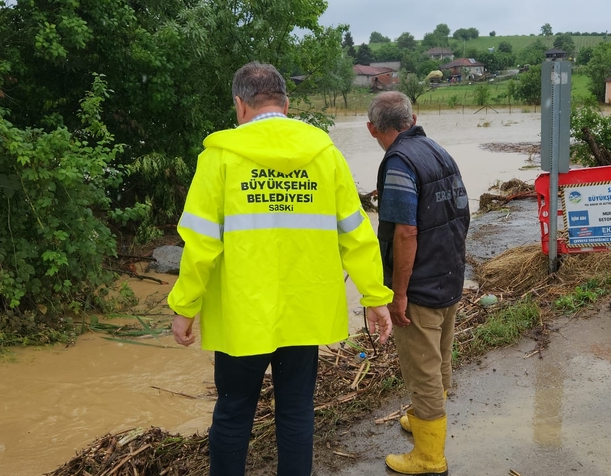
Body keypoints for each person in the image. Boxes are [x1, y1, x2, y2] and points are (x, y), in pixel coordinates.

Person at [168, 61, 393, 476]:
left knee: (234, 413)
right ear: (286, 105)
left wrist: (185, 307)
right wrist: (376, 297)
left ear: (240, 105)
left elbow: (200, 245)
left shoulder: (219, 159)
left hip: (242, 316)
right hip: (303, 312)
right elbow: (357, 235)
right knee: (295, 413)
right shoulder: (325, 155)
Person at [366, 91, 470, 475]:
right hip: (449, 273)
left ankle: (429, 457)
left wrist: (399, 293)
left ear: (372, 128)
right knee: (439, 356)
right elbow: (463, 212)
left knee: (422, 368)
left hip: (420, 286)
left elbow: (405, 232)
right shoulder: (437, 150)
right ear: (412, 119)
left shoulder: (398, 162)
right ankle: (425, 419)